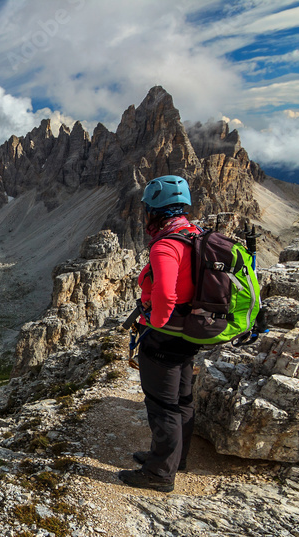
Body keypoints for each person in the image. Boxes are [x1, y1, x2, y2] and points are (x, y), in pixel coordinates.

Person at [117, 175, 203, 493]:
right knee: (182, 398)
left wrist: (155, 323)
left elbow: (165, 294)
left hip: (166, 334)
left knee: (161, 403)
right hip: (191, 330)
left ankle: (159, 473)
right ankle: (173, 458)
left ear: (154, 210)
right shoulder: (194, 235)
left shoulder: (166, 245)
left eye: (146, 209)